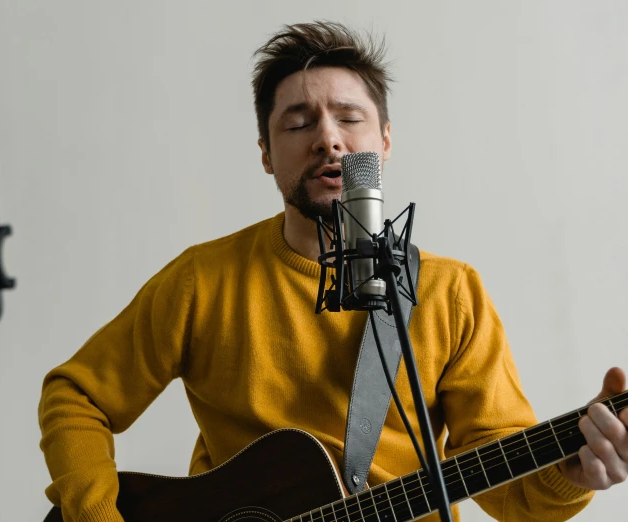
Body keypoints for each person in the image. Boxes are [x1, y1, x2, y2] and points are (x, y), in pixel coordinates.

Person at [38, 21, 628, 522]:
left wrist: (571, 472)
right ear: (266, 153)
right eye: (298, 123)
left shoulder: (449, 294)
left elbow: (508, 487)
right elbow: (77, 395)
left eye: (349, 119)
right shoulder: (203, 280)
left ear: (385, 141)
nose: (328, 139)